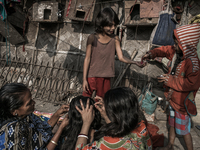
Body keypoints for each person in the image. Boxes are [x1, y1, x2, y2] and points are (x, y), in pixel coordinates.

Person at [142, 23, 200, 150]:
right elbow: (164, 50)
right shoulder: (176, 53)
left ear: (185, 44)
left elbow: (191, 84)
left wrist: (170, 80)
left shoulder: (193, 63)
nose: (174, 45)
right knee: (172, 124)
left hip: (181, 104)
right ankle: (170, 145)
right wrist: (151, 54)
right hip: (172, 100)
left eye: (177, 43)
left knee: (184, 131)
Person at [82, 7, 144, 98]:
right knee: (85, 101)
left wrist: (134, 62)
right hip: (91, 76)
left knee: (102, 103)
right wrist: (84, 79)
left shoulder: (115, 39)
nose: (113, 28)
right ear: (102, 23)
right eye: (110, 25)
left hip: (106, 77)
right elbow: (87, 59)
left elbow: (121, 57)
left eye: (115, 25)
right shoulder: (92, 38)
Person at [75, 87, 152, 150]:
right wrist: (107, 116)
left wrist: (86, 123)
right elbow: (120, 127)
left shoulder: (109, 143)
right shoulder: (142, 128)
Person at [0, 83, 69, 150]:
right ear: (14, 111)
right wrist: (61, 128)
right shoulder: (14, 131)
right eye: (29, 103)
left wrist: (57, 114)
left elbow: (44, 130)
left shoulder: (26, 116)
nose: (34, 103)